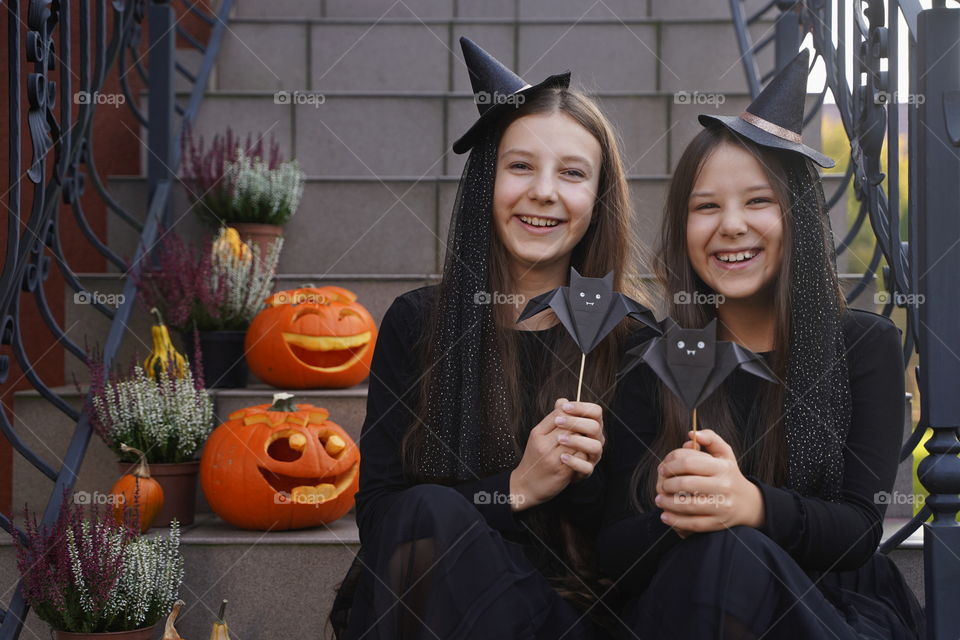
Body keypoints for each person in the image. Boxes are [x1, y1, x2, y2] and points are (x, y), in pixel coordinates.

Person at [331, 37, 655, 639]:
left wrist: (584, 484)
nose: (544, 192)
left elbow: (640, 552)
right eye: (521, 165)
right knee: (425, 511)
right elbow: (381, 524)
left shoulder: (633, 338)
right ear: (488, 180)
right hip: (438, 598)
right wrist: (516, 489)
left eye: (573, 173)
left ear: (598, 198)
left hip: (577, 613)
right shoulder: (417, 324)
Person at [595, 50, 926, 638]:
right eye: (706, 208)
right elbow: (609, 550)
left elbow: (856, 529)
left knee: (733, 551)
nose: (731, 225)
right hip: (684, 602)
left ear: (796, 215)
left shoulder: (862, 345)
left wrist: (750, 506)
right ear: (682, 228)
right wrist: (678, 517)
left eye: (757, 201)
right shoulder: (653, 355)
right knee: (715, 556)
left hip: (823, 605)